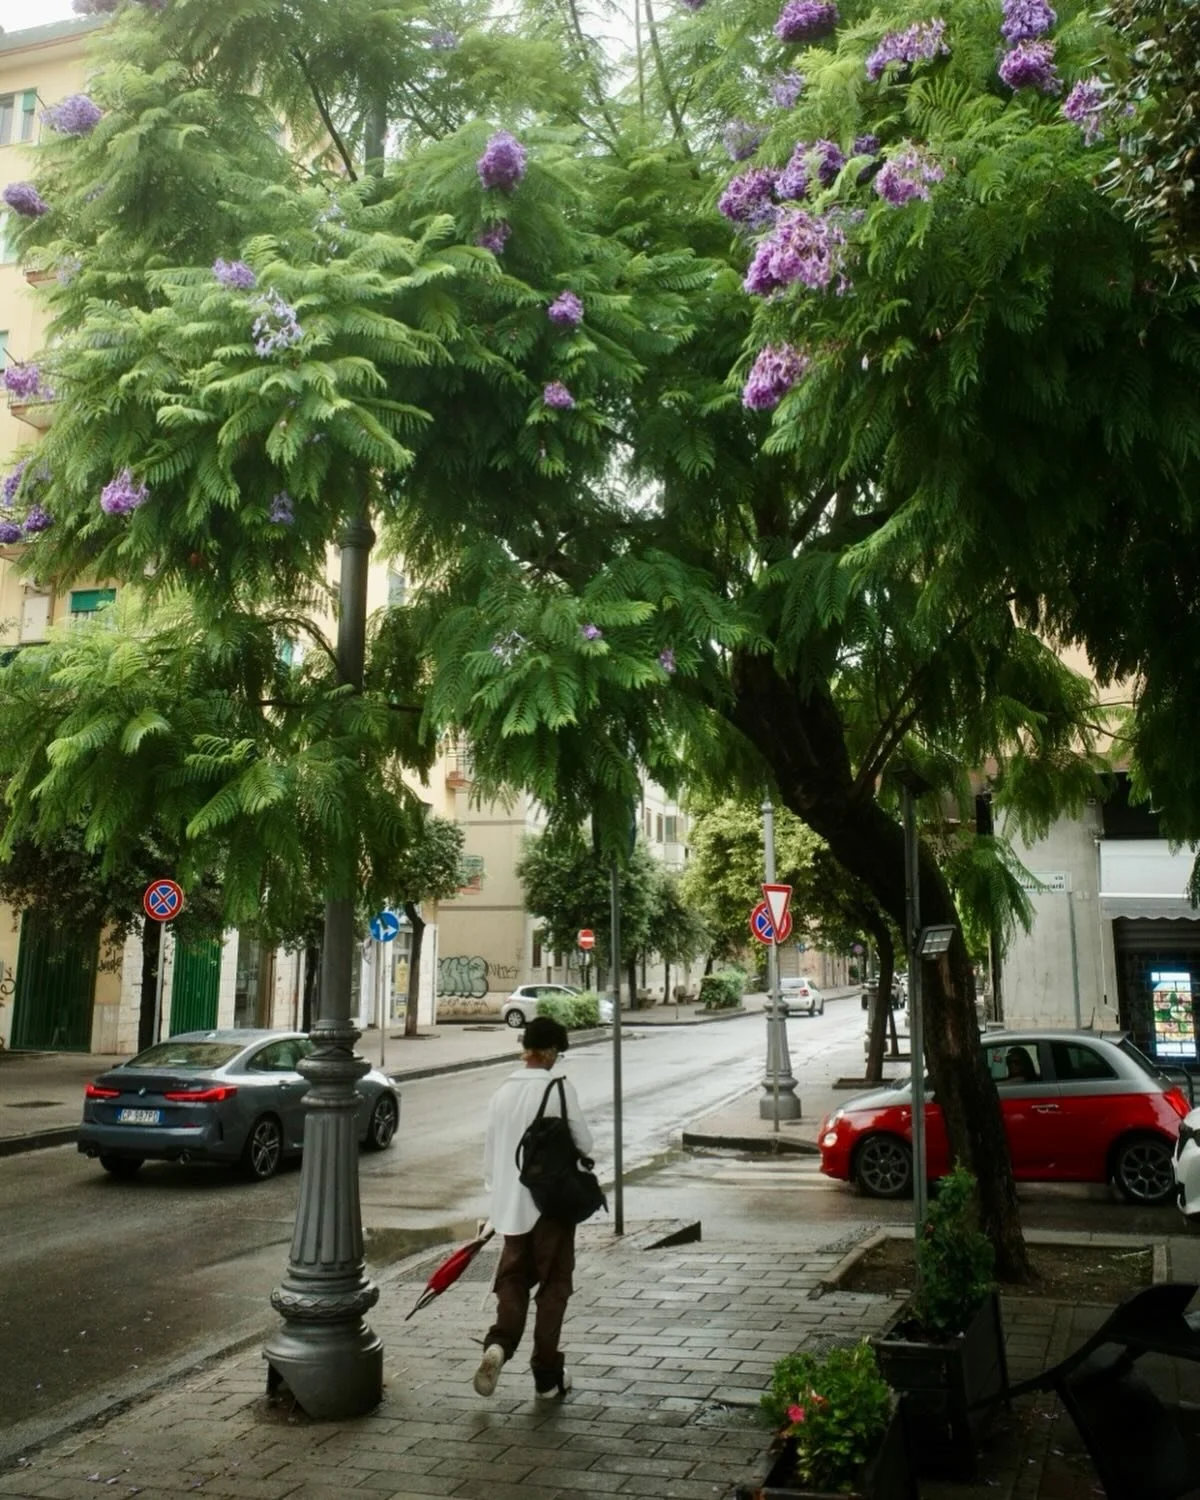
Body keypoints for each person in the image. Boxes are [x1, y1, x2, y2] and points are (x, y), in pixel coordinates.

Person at [473, 1014, 593, 1402]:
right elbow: (585, 1144)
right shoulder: (558, 1089)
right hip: (551, 1206)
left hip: (510, 1208)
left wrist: (499, 1199)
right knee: (554, 1286)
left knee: (512, 1279)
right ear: (552, 1051)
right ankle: (546, 1375)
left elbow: (490, 1161)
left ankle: (499, 1345)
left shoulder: (501, 1092)